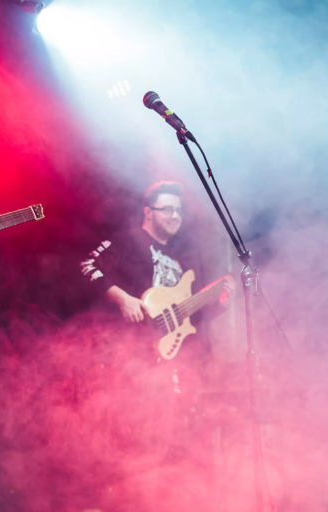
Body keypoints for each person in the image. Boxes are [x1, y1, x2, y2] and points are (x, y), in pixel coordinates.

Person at [79, 181, 235, 463]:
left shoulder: (180, 262)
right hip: (127, 358)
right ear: (148, 212)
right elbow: (87, 266)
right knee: (127, 442)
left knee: (165, 445)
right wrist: (123, 298)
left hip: (164, 368)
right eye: (167, 210)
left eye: (179, 211)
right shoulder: (127, 240)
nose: (175, 216)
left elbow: (188, 317)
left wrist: (221, 301)